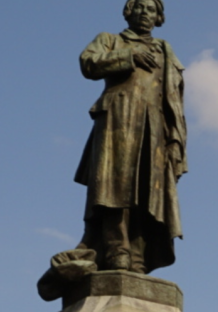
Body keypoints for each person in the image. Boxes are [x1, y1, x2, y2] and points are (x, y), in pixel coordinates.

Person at [73, 0, 186, 273]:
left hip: (154, 128)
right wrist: (128, 57)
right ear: (128, 12)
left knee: (148, 194)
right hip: (118, 120)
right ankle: (117, 252)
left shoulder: (165, 50)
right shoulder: (110, 40)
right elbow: (88, 63)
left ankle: (137, 257)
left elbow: (175, 101)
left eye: (151, 10)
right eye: (140, 8)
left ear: (159, 17)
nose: (145, 14)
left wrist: (175, 141)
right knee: (115, 189)